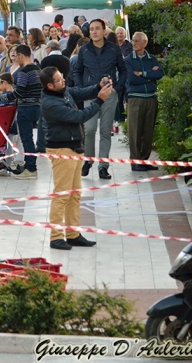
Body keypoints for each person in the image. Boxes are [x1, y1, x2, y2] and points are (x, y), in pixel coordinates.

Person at [40, 66, 113, 250]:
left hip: (74, 149)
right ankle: (56, 237)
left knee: (74, 195)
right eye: (58, 79)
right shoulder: (51, 104)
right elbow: (79, 116)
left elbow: (82, 92)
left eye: (62, 77)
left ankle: (72, 234)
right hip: (62, 150)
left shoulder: (64, 92)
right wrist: (100, 100)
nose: (63, 80)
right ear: (50, 85)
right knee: (62, 195)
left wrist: (98, 86)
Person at [72, 19, 126, 180]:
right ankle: (88, 160)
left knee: (105, 131)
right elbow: (77, 71)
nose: (94, 32)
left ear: (104, 31)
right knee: (89, 129)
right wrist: (82, 89)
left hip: (110, 93)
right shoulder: (84, 50)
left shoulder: (114, 49)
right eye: (92, 29)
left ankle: (103, 166)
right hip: (91, 93)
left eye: (97, 29)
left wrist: (117, 88)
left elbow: (123, 70)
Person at [0, 45, 42, 180]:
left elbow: (18, 93)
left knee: (27, 140)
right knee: (29, 139)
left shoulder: (24, 72)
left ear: (21, 56)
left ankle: (31, 169)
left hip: (25, 108)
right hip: (36, 107)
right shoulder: (38, 69)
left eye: (16, 56)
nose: (16, 59)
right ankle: (30, 167)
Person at [125, 32, 164, 171]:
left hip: (151, 98)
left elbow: (159, 73)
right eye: (132, 41)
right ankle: (135, 162)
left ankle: (144, 160)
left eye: (136, 41)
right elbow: (131, 78)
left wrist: (142, 73)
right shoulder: (128, 59)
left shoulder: (151, 58)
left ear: (144, 43)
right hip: (136, 98)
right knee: (135, 131)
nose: (134, 43)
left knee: (148, 131)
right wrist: (150, 75)